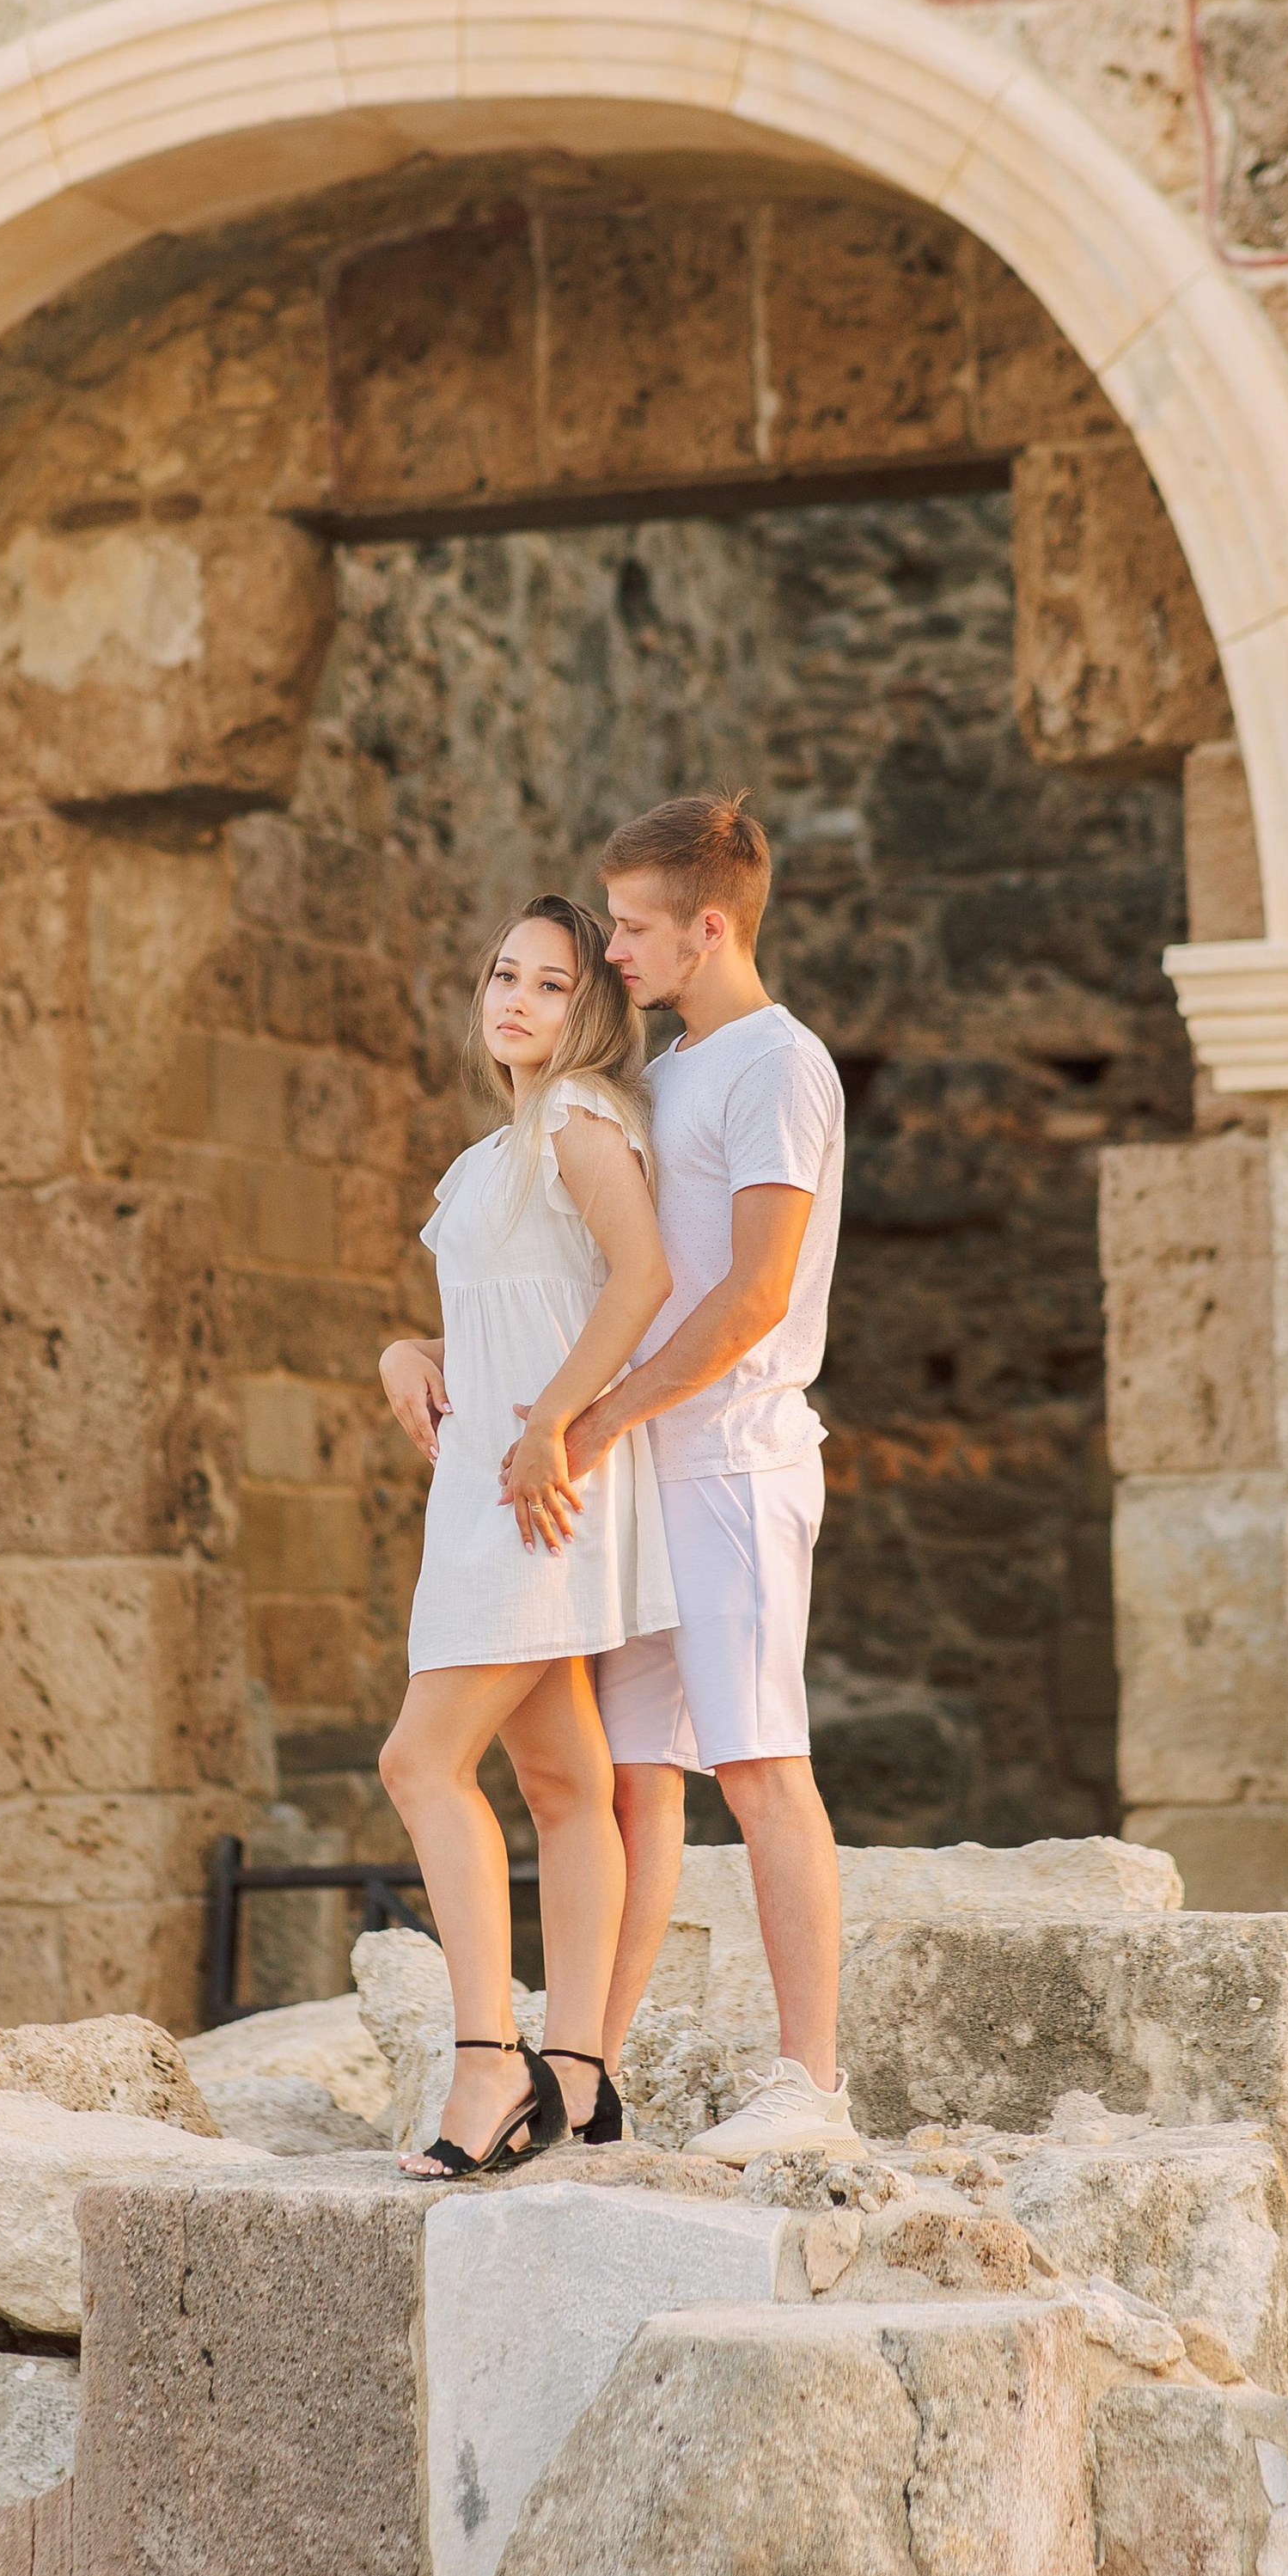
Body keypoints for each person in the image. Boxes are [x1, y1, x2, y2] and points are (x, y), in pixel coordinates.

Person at [507, 792, 862, 2162]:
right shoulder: (665, 1076)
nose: (613, 957)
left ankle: (808, 2088)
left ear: (711, 926)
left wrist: (595, 1425)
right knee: (634, 1782)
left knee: (762, 1768)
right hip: (647, 1469)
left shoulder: (780, 1064)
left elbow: (756, 1296)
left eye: (638, 930)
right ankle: (582, 2075)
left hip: (734, 1466)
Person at [375, 894, 678, 2181]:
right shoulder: (482, 1163)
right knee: (562, 1783)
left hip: (537, 1490)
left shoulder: (578, 1121)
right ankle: (582, 2073)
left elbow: (643, 1279)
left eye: (553, 985)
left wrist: (558, 1422)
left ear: (592, 1009)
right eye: (506, 974)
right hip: (485, 1494)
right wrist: (408, 1351)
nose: (519, 1000)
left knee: (419, 1761)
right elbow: (518, 1318)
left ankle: (489, 2060)